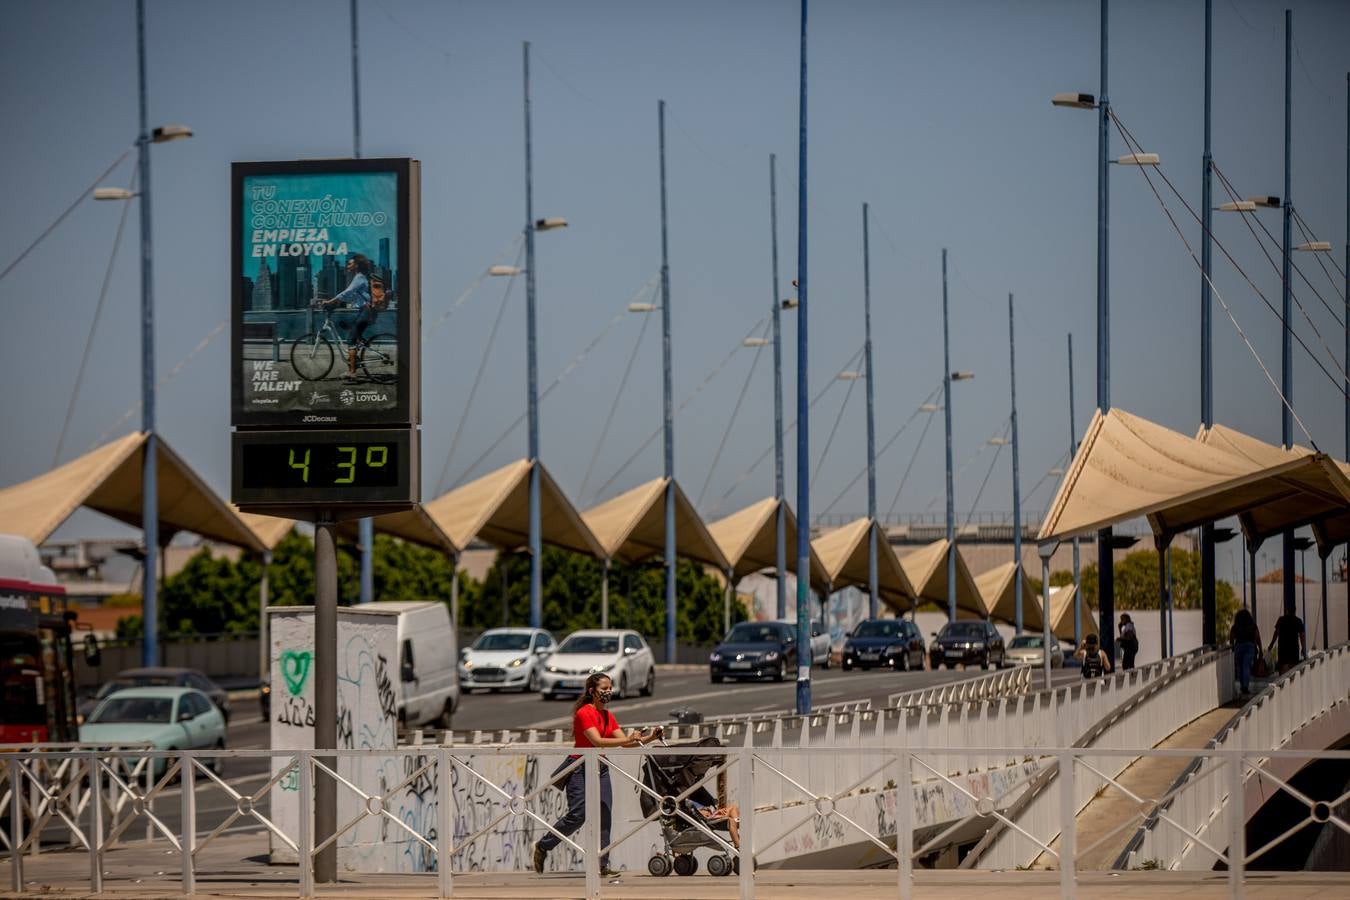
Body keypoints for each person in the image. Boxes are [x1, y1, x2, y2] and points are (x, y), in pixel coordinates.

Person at [533, 673, 662, 876]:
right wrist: (628, 739)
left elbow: (626, 743)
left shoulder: (607, 716)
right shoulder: (585, 713)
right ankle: (543, 846)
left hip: (600, 767)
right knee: (578, 815)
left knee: (605, 813)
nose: (608, 692)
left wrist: (649, 737)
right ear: (592, 691)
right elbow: (598, 742)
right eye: (603, 689)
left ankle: (602, 865)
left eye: (610, 688)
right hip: (578, 766)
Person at [321, 253, 375, 380]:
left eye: (350, 263)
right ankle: (359, 343)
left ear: (356, 265)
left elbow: (347, 292)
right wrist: (336, 303)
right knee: (344, 324)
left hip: (365, 312)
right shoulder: (359, 277)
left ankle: (352, 372)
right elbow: (350, 296)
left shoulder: (359, 277)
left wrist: (330, 302)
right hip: (363, 311)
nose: (347, 265)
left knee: (350, 339)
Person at [1229, 608, 1260, 695]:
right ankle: (1245, 686)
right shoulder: (1253, 625)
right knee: (1246, 666)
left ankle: (1243, 685)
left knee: (1240, 667)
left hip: (1238, 646)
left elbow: (1231, 637)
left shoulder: (1235, 626)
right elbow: (1257, 637)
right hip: (1250, 646)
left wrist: (1232, 648)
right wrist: (1260, 649)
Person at [1268, 608, 1306, 675]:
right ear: (1295, 611)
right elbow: (1302, 635)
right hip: (1294, 647)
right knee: (1293, 668)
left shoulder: (1281, 620)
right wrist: (1303, 648)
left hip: (1283, 647)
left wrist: (1271, 644)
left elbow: (1276, 633)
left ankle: (1282, 684)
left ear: (1287, 611)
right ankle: (1292, 683)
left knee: (1283, 668)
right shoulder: (1298, 621)